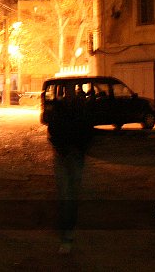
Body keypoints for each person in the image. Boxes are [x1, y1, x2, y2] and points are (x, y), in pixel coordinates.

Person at [45, 83, 95, 254]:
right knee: (67, 194)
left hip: (71, 155)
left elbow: (87, 131)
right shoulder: (65, 108)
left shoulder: (78, 108)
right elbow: (53, 130)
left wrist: (75, 148)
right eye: (66, 90)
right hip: (66, 155)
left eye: (69, 90)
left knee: (69, 194)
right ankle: (67, 233)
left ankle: (68, 233)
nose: (68, 93)